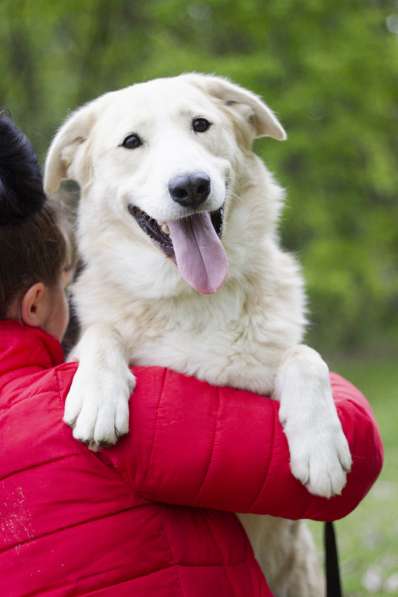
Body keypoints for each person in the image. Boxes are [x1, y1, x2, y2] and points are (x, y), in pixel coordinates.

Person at [0, 113, 383, 597]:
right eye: (68, 277)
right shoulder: (117, 410)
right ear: (36, 303)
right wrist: (302, 367)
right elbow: (350, 463)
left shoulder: (86, 388)